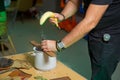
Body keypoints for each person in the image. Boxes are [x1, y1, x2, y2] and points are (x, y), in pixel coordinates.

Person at [34, 0, 120, 80]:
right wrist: (62, 16)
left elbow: (90, 22)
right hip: (96, 30)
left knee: (101, 75)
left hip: (111, 34)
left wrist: (59, 45)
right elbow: (74, 2)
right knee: (97, 66)